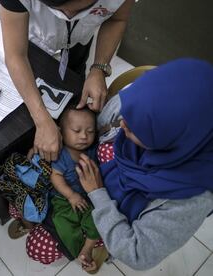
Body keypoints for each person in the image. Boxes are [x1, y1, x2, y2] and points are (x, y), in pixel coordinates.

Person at [74, 58, 213, 270]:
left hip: (110, 218)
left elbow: (137, 253)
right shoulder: (145, 99)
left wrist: (97, 193)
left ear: (172, 142)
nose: (122, 124)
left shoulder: (190, 200)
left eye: (140, 129)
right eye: (130, 112)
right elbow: (105, 121)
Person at [0, 0, 134, 162]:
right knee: (25, 118)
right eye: (58, 10)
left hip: (77, 47)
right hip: (33, 49)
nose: (68, 17)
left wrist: (99, 67)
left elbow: (117, 19)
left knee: (73, 96)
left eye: (82, 11)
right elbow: (16, 56)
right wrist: (42, 121)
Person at [50, 107, 101, 271]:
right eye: (77, 131)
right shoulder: (61, 154)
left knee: (98, 219)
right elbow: (55, 176)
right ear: (62, 132)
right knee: (62, 224)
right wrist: (71, 195)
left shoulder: (92, 150)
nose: (84, 136)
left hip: (88, 198)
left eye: (90, 131)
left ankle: (88, 248)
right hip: (64, 199)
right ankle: (77, 249)